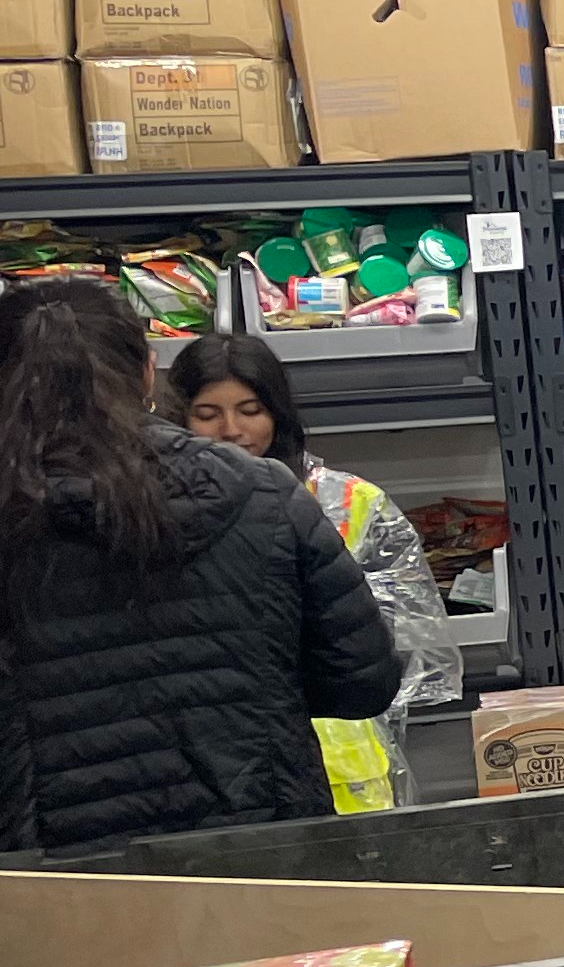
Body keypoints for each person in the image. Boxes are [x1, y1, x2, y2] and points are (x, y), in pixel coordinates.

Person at [0, 278, 399, 853]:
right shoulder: (264, 493)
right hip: (257, 842)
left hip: (54, 871)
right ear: (147, 373)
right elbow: (362, 682)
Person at [166, 332, 464, 812]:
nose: (231, 429)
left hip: (342, 765)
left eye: (250, 410)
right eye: (207, 414)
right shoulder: (152, 513)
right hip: (210, 765)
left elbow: (413, 643)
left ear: (278, 413)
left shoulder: (349, 503)